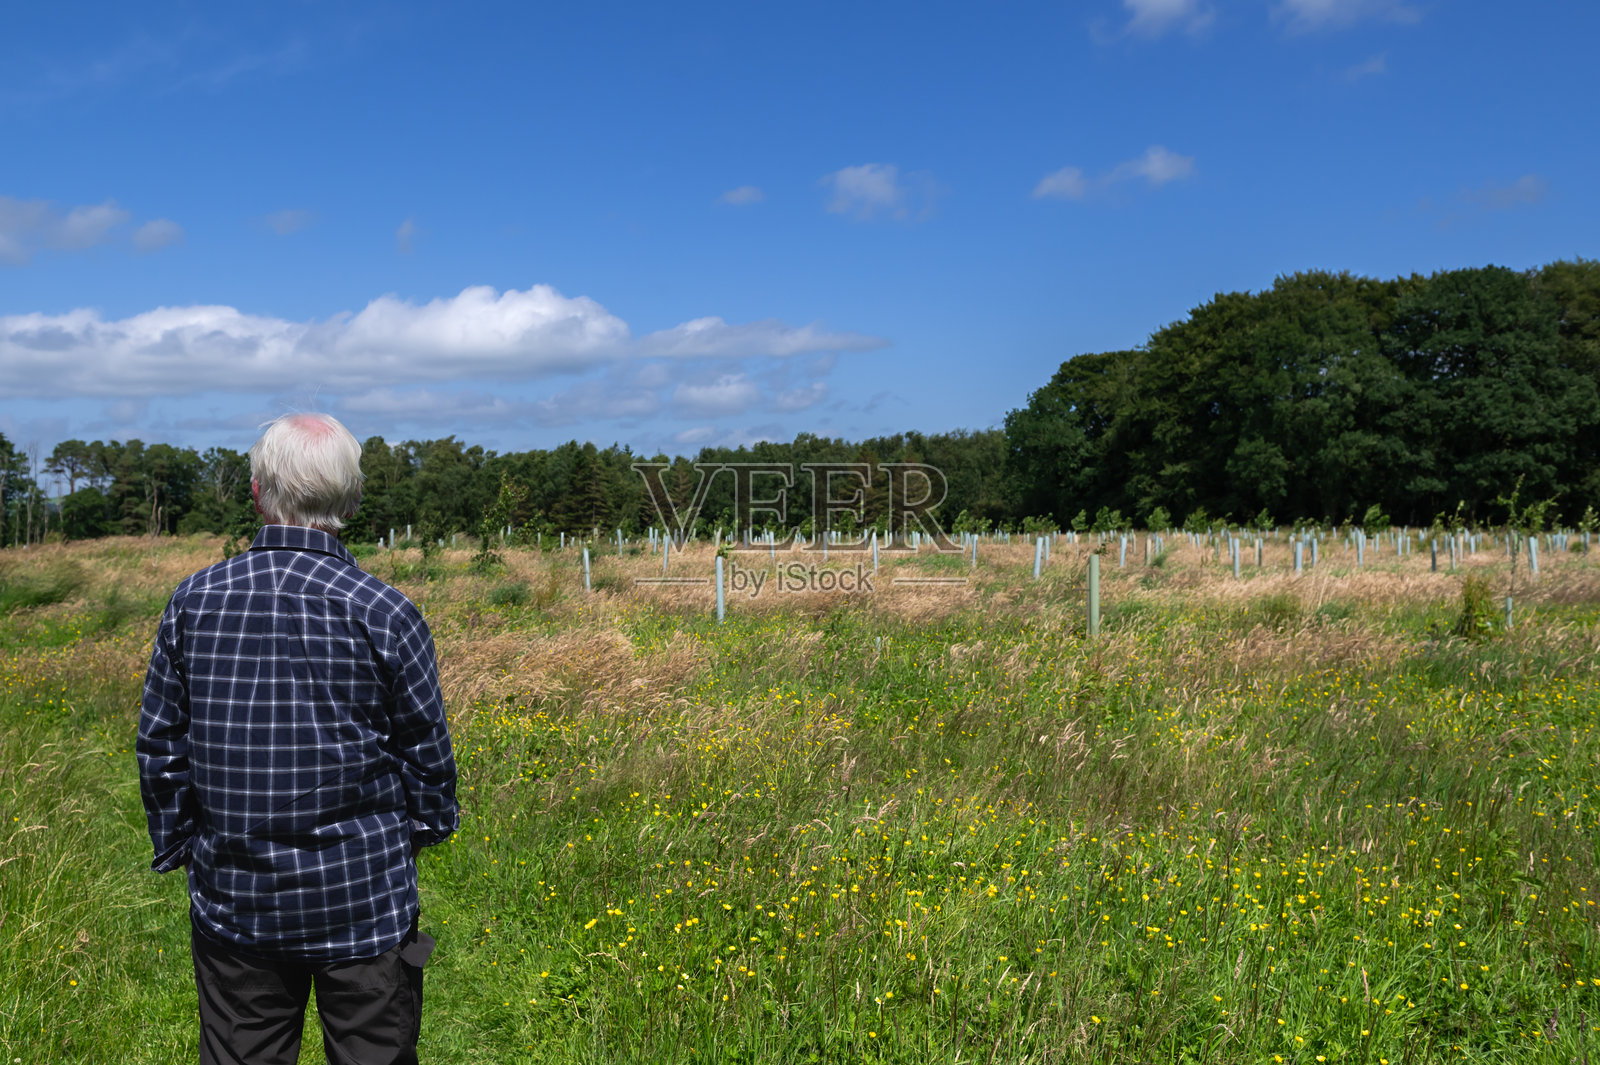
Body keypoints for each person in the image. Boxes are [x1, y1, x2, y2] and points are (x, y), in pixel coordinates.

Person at [138, 413, 459, 1065]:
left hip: (237, 902)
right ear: (352, 500)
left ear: (257, 493)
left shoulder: (194, 601)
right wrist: (420, 835)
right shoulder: (386, 610)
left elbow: (161, 745)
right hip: (365, 902)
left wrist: (179, 842)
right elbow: (428, 754)